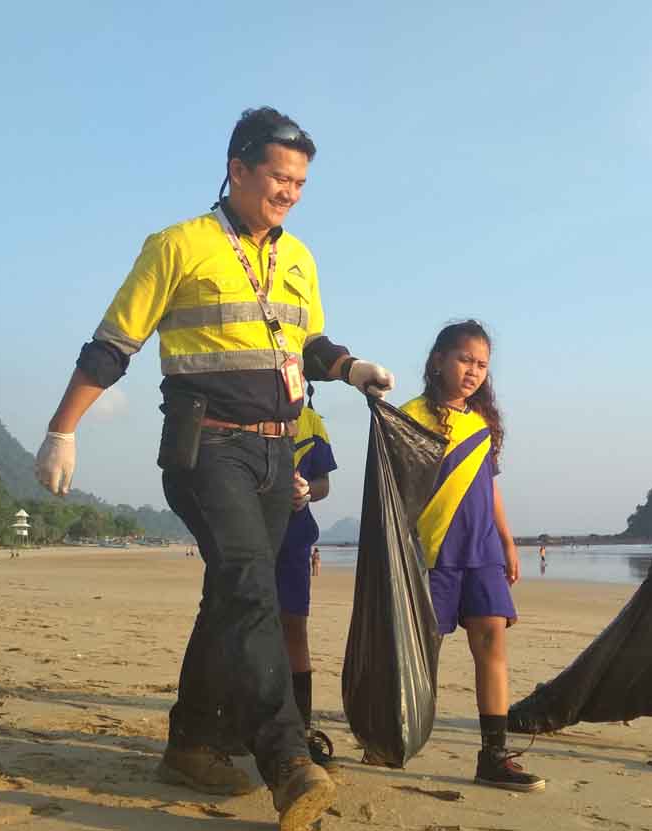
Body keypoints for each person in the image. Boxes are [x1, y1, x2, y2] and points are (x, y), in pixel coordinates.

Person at [33, 107, 393, 828]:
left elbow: (305, 341)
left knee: (228, 598)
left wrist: (349, 367)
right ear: (237, 168)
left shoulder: (299, 258)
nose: (290, 191)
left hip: (275, 450)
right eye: (278, 176)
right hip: (206, 448)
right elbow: (113, 344)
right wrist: (61, 428)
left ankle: (192, 742)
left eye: (300, 182)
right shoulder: (178, 245)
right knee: (253, 586)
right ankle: (288, 760)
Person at [400, 320, 545, 793]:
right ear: (438, 359)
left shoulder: (482, 423)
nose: (472, 371)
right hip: (432, 554)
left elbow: (490, 487)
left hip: (481, 552)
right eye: (464, 359)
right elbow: (392, 493)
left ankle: (493, 755)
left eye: (481, 364)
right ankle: (396, 731)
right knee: (423, 652)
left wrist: (507, 541)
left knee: (491, 645)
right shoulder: (408, 416)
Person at [272, 385, 337, 765]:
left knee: (294, 628)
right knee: (241, 625)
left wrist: (307, 491)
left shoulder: (313, 424)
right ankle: (232, 723)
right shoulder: (243, 408)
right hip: (248, 534)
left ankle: (300, 729)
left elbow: (325, 484)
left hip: (294, 538)